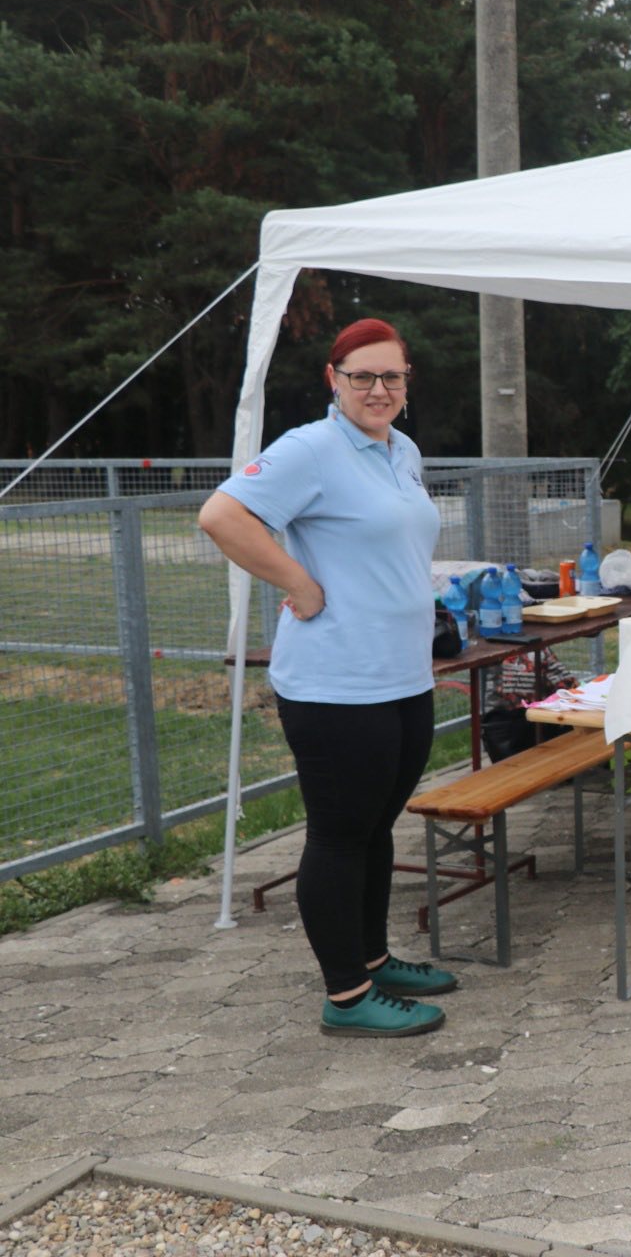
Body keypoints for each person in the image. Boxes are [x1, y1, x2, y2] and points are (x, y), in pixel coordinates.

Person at [198, 318, 455, 1039]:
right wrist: (299, 583)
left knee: (376, 828)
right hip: (336, 682)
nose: (378, 390)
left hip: (401, 675)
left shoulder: (400, 449)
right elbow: (222, 515)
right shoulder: (311, 449)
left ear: (407, 383)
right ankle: (346, 996)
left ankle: (372, 957)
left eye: (392, 377)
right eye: (362, 376)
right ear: (333, 380)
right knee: (340, 834)